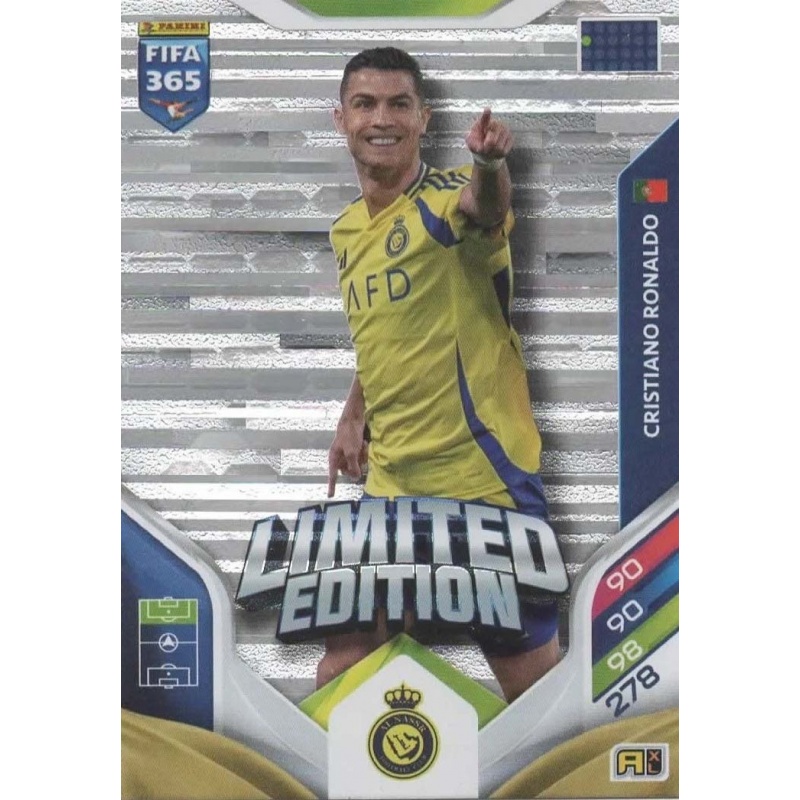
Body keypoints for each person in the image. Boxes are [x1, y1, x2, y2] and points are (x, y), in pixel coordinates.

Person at [320, 47, 560, 703]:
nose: (382, 118)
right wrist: (353, 413)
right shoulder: (346, 231)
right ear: (340, 118)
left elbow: (486, 208)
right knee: (344, 669)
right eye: (365, 104)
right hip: (392, 486)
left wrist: (489, 165)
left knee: (534, 696)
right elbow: (389, 329)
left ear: (424, 118)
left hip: (481, 486)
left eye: (399, 104)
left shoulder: (447, 202)